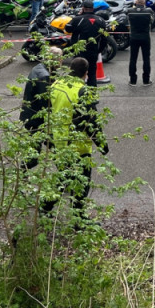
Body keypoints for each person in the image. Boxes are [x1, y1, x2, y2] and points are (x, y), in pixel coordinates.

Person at [42, 57, 109, 214]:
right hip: (78, 145)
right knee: (81, 182)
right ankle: (78, 217)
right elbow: (91, 121)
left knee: (64, 177)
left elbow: (47, 111)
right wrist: (102, 145)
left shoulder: (56, 85)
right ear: (86, 74)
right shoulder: (82, 91)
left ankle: (45, 207)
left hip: (58, 141)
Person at [66, 0, 108, 87]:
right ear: (93, 8)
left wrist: (78, 15)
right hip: (93, 51)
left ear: (83, 8)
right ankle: (92, 93)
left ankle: (78, 92)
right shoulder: (101, 20)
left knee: (77, 74)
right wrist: (99, 50)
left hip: (79, 52)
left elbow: (68, 29)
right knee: (92, 74)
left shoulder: (78, 19)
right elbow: (105, 38)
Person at [127, 0, 153, 86]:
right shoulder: (148, 11)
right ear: (144, 3)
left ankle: (133, 80)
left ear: (135, 2)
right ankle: (146, 80)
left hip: (134, 36)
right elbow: (152, 22)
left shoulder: (130, 11)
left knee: (133, 59)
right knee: (146, 59)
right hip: (145, 37)